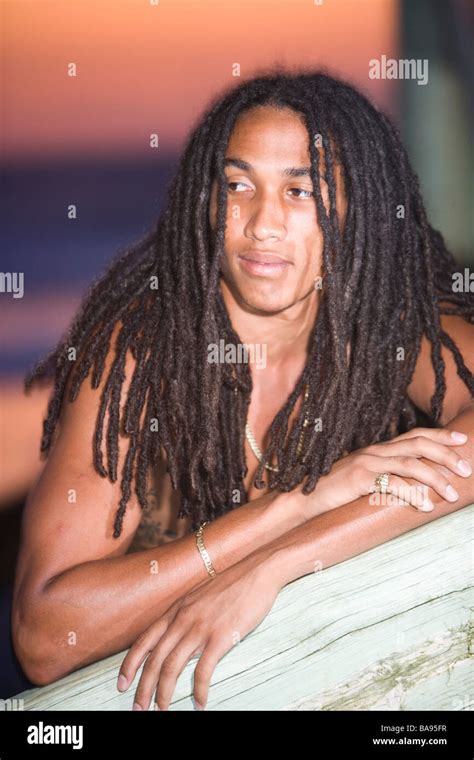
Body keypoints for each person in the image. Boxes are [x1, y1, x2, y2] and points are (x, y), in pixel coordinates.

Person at [12, 69, 474, 711]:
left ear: (357, 209)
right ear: (206, 202)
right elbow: (46, 637)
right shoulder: (146, 347)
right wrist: (294, 506)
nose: (261, 224)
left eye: (301, 191)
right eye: (238, 185)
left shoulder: (391, 326)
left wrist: (279, 562)